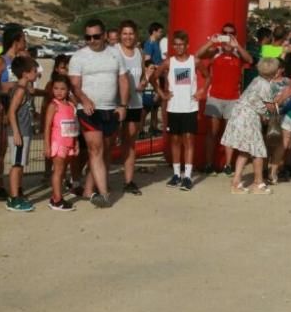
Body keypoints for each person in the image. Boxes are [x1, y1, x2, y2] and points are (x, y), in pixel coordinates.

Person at [69, 18, 130, 208]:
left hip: (111, 108)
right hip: (88, 110)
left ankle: (89, 189)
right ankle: (104, 194)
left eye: (96, 36)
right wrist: (84, 100)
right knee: (95, 149)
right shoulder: (78, 57)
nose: (92, 40)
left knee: (105, 150)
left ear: (104, 36)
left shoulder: (115, 54)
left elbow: (123, 80)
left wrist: (123, 105)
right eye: (88, 37)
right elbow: (75, 86)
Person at [221, 57, 286, 195]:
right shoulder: (266, 85)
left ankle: (236, 183)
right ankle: (258, 183)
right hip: (248, 118)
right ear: (275, 73)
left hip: (238, 115)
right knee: (258, 151)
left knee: (245, 151)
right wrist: (283, 98)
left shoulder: (256, 80)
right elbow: (270, 108)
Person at [197, 23, 253, 176]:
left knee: (230, 133)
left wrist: (238, 46)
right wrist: (212, 41)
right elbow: (198, 54)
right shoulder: (216, 51)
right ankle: (209, 164)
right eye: (225, 33)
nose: (228, 35)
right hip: (215, 97)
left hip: (233, 98)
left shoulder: (237, 52)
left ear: (234, 35)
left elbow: (250, 60)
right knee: (212, 132)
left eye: (231, 33)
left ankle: (228, 165)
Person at [154, 30, 207, 191]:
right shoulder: (169, 62)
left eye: (181, 44)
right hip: (173, 107)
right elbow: (153, 77)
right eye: (175, 44)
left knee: (189, 141)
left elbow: (208, 76)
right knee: (175, 141)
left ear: (187, 45)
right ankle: (177, 175)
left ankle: (188, 176)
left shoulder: (195, 61)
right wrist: (162, 93)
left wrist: (201, 91)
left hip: (190, 107)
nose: (178, 47)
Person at [0, 24, 27, 199]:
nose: (25, 42)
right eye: (23, 39)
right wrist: (5, 91)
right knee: (2, 146)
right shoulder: (1, 61)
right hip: (3, 107)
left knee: (19, 146)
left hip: (20, 109)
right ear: (15, 41)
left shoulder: (23, 60)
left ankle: (17, 183)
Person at [113, 20, 146, 195]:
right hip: (116, 105)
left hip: (135, 104)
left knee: (130, 143)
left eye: (131, 33)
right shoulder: (114, 51)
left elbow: (142, 75)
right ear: (120, 34)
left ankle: (129, 181)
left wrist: (143, 81)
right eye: (125, 33)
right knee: (108, 143)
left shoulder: (139, 52)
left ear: (136, 35)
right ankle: (99, 179)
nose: (128, 37)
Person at [4, 56, 41, 212]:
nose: (36, 73)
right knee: (17, 165)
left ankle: (17, 193)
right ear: (25, 73)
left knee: (20, 165)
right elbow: (11, 112)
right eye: (34, 70)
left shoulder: (24, 89)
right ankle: (13, 199)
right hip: (19, 132)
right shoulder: (19, 90)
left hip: (25, 131)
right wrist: (17, 133)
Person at [42, 74, 78, 211]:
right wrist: (46, 144)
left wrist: (76, 143)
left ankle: (55, 196)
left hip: (69, 143)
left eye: (62, 89)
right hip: (58, 143)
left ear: (68, 89)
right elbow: (47, 126)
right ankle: (57, 200)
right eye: (56, 88)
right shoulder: (53, 105)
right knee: (58, 171)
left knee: (62, 171)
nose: (59, 92)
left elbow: (74, 126)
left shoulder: (70, 105)